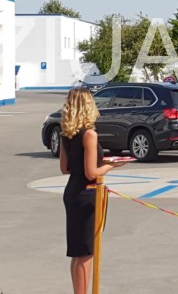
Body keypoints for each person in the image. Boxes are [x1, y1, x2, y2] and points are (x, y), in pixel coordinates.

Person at [59, 88, 126, 294]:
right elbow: (91, 173)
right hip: (86, 194)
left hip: (73, 190)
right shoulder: (89, 134)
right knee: (86, 251)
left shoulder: (67, 133)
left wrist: (99, 163)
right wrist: (112, 165)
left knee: (78, 251)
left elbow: (65, 168)